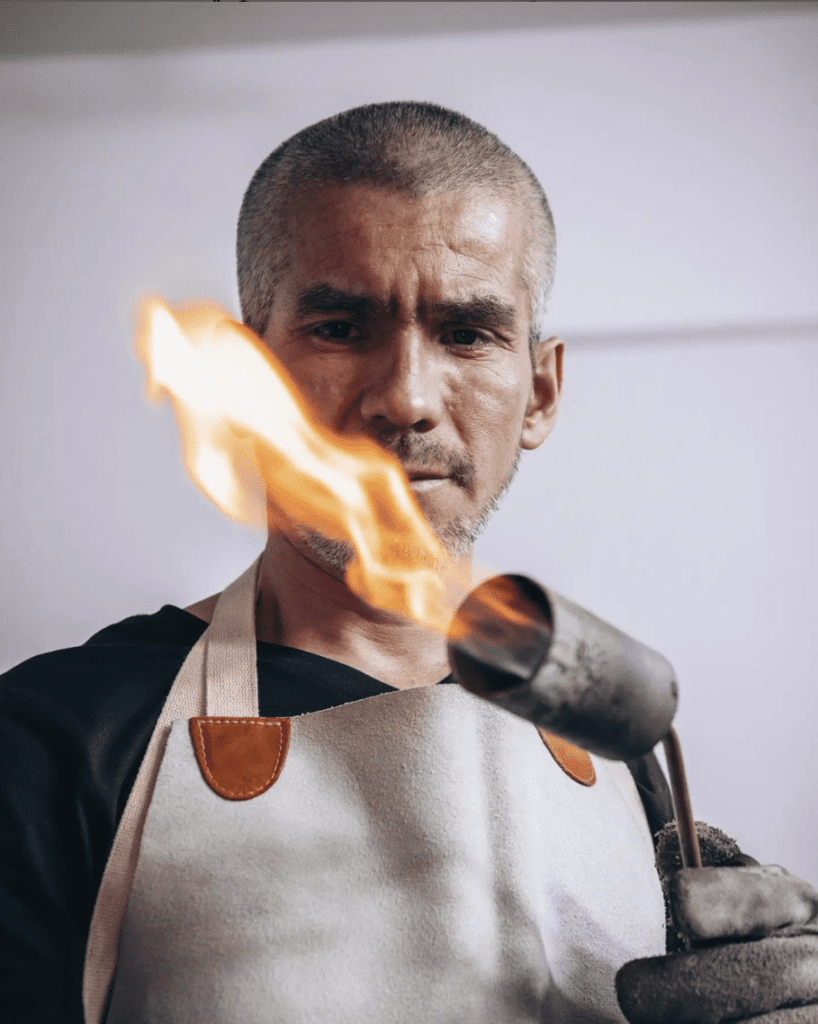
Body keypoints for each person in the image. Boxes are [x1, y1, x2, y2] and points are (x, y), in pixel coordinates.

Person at [1, 101, 816, 1024]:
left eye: (467, 333)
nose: (407, 398)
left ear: (540, 392)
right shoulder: (53, 740)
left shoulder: (611, 752)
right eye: (343, 328)